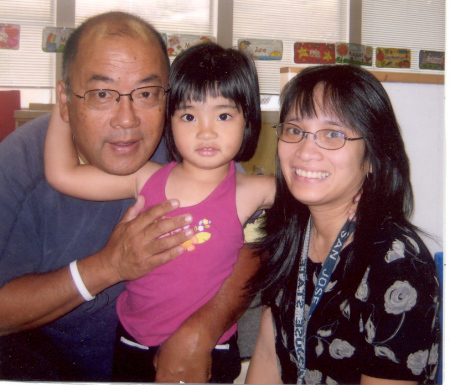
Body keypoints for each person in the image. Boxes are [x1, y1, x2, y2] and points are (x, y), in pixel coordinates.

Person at [0, 12, 259, 383]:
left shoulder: (191, 146)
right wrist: (108, 266)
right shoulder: (20, 166)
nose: (127, 119)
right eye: (102, 94)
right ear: (65, 98)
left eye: (147, 93)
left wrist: (203, 327)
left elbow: (257, 246)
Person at [245, 64, 440, 384]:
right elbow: (268, 355)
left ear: (372, 157)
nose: (305, 151)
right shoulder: (292, 233)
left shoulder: (396, 263)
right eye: (294, 130)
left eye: (333, 134)